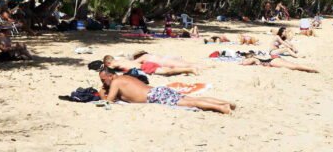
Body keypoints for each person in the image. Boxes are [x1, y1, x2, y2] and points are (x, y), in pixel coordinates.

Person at [98, 68, 235, 113]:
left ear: (110, 76)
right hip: (158, 90)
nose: (103, 82)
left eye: (104, 80)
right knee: (192, 99)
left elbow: (109, 101)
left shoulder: (116, 81)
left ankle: (222, 108)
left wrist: (101, 93)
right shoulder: (125, 77)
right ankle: (225, 103)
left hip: (154, 96)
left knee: (190, 103)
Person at [104, 54, 198, 76]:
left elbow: (110, 68)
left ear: (108, 63)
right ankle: (188, 68)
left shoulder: (114, 64)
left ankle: (190, 69)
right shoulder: (120, 59)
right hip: (146, 64)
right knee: (167, 69)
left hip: (145, 68)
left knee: (167, 72)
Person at [240, 55, 318, 73]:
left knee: (293, 66)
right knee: (293, 65)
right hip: (274, 59)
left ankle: (312, 69)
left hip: (272, 62)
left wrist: (242, 61)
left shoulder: (253, 58)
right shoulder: (256, 58)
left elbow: (244, 63)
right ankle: (311, 68)